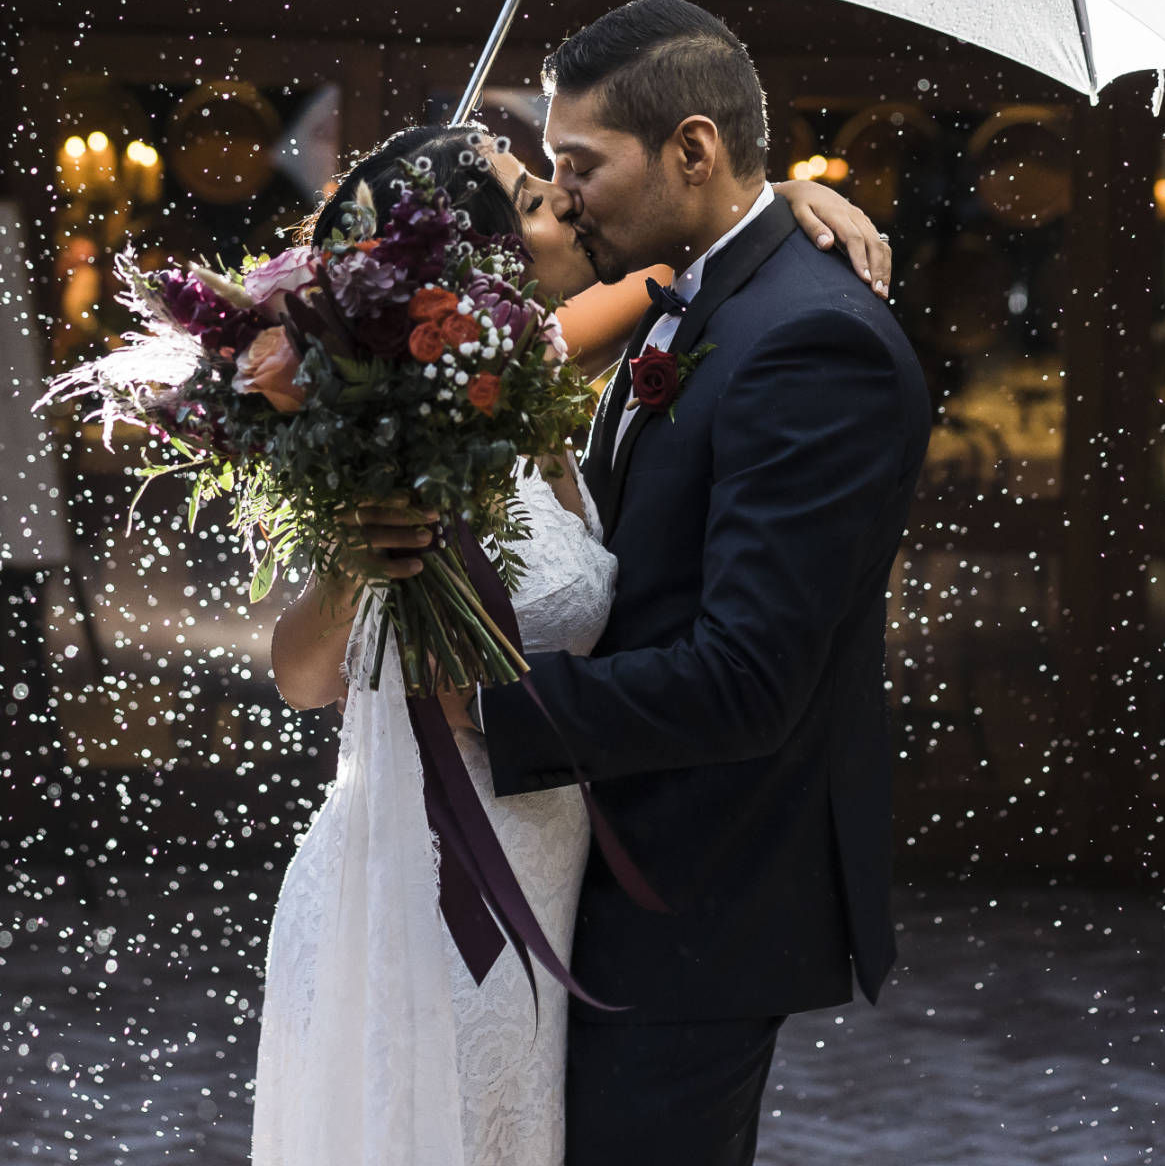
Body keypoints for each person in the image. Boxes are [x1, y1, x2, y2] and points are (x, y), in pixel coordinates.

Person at [253, 110, 890, 1166]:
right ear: (475, 260)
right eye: (539, 198)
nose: (569, 201)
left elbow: (689, 269)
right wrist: (358, 556)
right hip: (428, 895)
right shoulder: (408, 439)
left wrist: (773, 203)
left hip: (550, 887)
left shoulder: (530, 386)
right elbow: (302, 676)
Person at [428, 0, 932, 1166]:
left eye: (581, 164)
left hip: (695, 897)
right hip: (597, 874)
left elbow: (748, 677)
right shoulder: (700, 290)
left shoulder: (813, 340)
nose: (563, 195)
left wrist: (486, 711)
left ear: (693, 149)